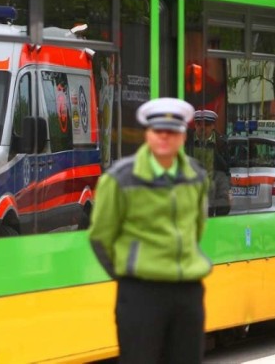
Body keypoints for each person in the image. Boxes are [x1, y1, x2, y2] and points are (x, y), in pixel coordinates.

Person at [89, 97, 212, 364]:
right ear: (148, 134)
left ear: (183, 136)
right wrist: (131, 271)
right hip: (141, 293)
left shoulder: (196, 176)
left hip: (187, 292)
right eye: (158, 131)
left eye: (173, 132)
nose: (165, 137)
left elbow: (197, 229)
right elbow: (100, 236)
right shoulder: (120, 178)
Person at [190, 109, 232, 216]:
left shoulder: (221, 143)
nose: (202, 128)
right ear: (195, 125)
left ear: (213, 126)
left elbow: (226, 169)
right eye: (199, 124)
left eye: (207, 125)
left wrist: (228, 191)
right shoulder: (187, 141)